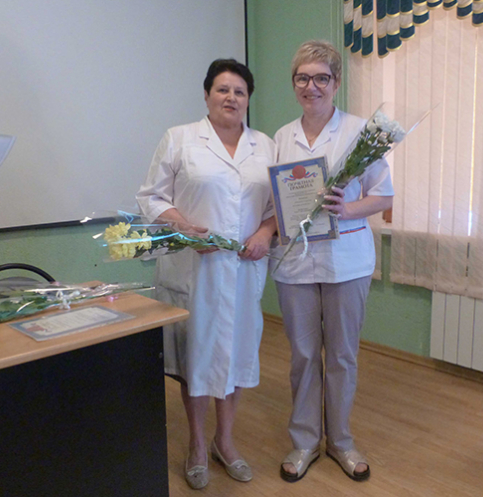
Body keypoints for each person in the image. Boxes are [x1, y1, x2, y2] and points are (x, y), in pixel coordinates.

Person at [136, 59, 277, 490]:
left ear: (248, 99)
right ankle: (197, 445)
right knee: (196, 358)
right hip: (194, 269)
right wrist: (184, 227)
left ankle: (225, 442)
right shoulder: (180, 139)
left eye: (239, 91)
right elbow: (151, 197)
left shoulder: (265, 145)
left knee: (236, 356)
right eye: (222, 89)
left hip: (243, 269)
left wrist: (265, 233)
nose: (231, 97)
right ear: (206, 94)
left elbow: (279, 207)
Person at [271, 40, 394, 483]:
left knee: (342, 355)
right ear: (294, 84)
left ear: (336, 82)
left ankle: (340, 440)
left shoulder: (361, 133)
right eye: (303, 78)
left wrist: (347, 208)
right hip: (295, 265)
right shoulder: (281, 137)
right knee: (304, 355)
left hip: (347, 261)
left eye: (321, 78)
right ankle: (305, 440)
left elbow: (384, 196)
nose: (312, 86)